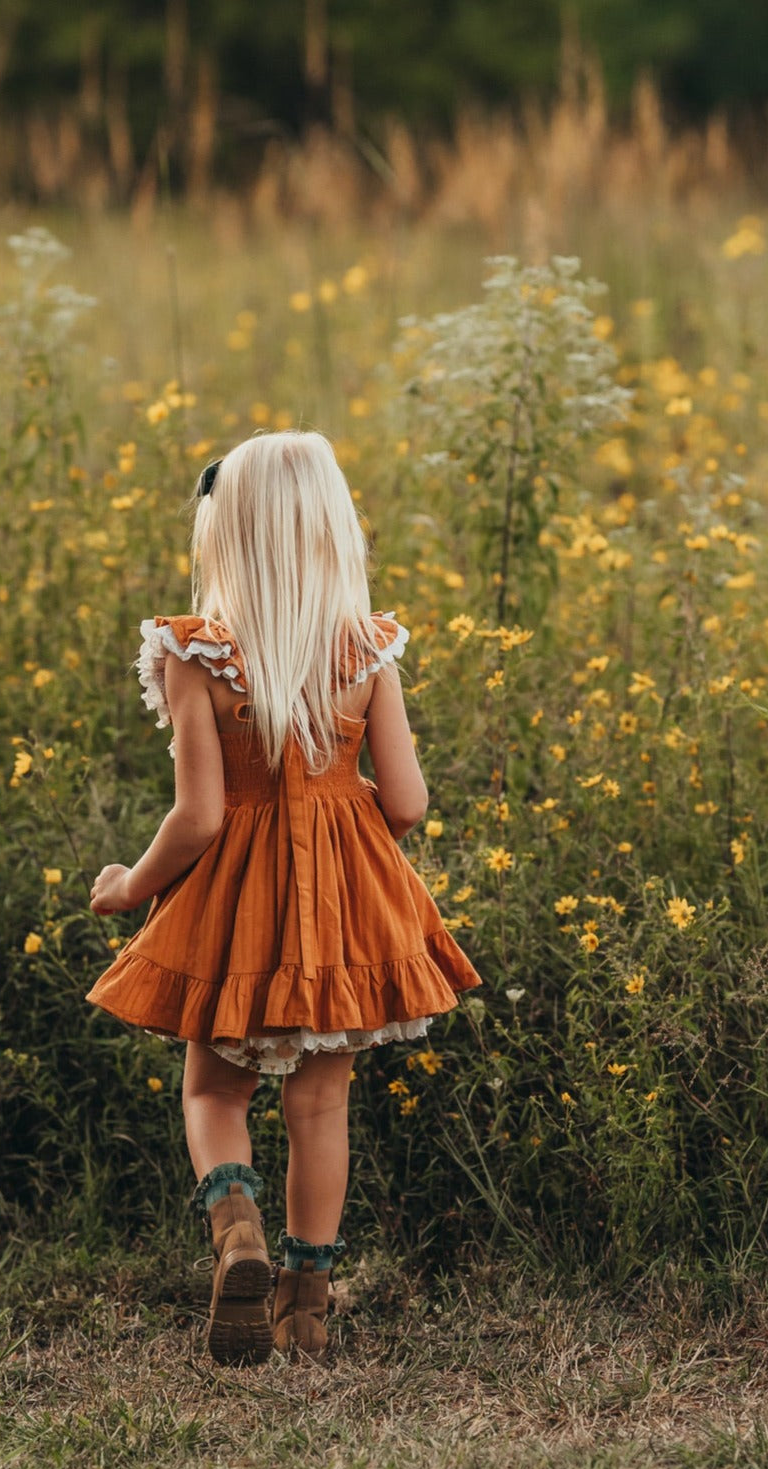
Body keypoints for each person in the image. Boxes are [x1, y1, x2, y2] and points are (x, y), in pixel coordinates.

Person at [86, 430, 480, 1366]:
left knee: (213, 1089)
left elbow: (200, 817)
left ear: (227, 532)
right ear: (329, 525)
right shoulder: (365, 647)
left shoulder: (196, 653)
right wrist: (339, 831)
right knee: (319, 1105)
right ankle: (305, 1309)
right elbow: (412, 804)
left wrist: (128, 887)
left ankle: (238, 1236)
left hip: (233, 903)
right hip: (344, 897)